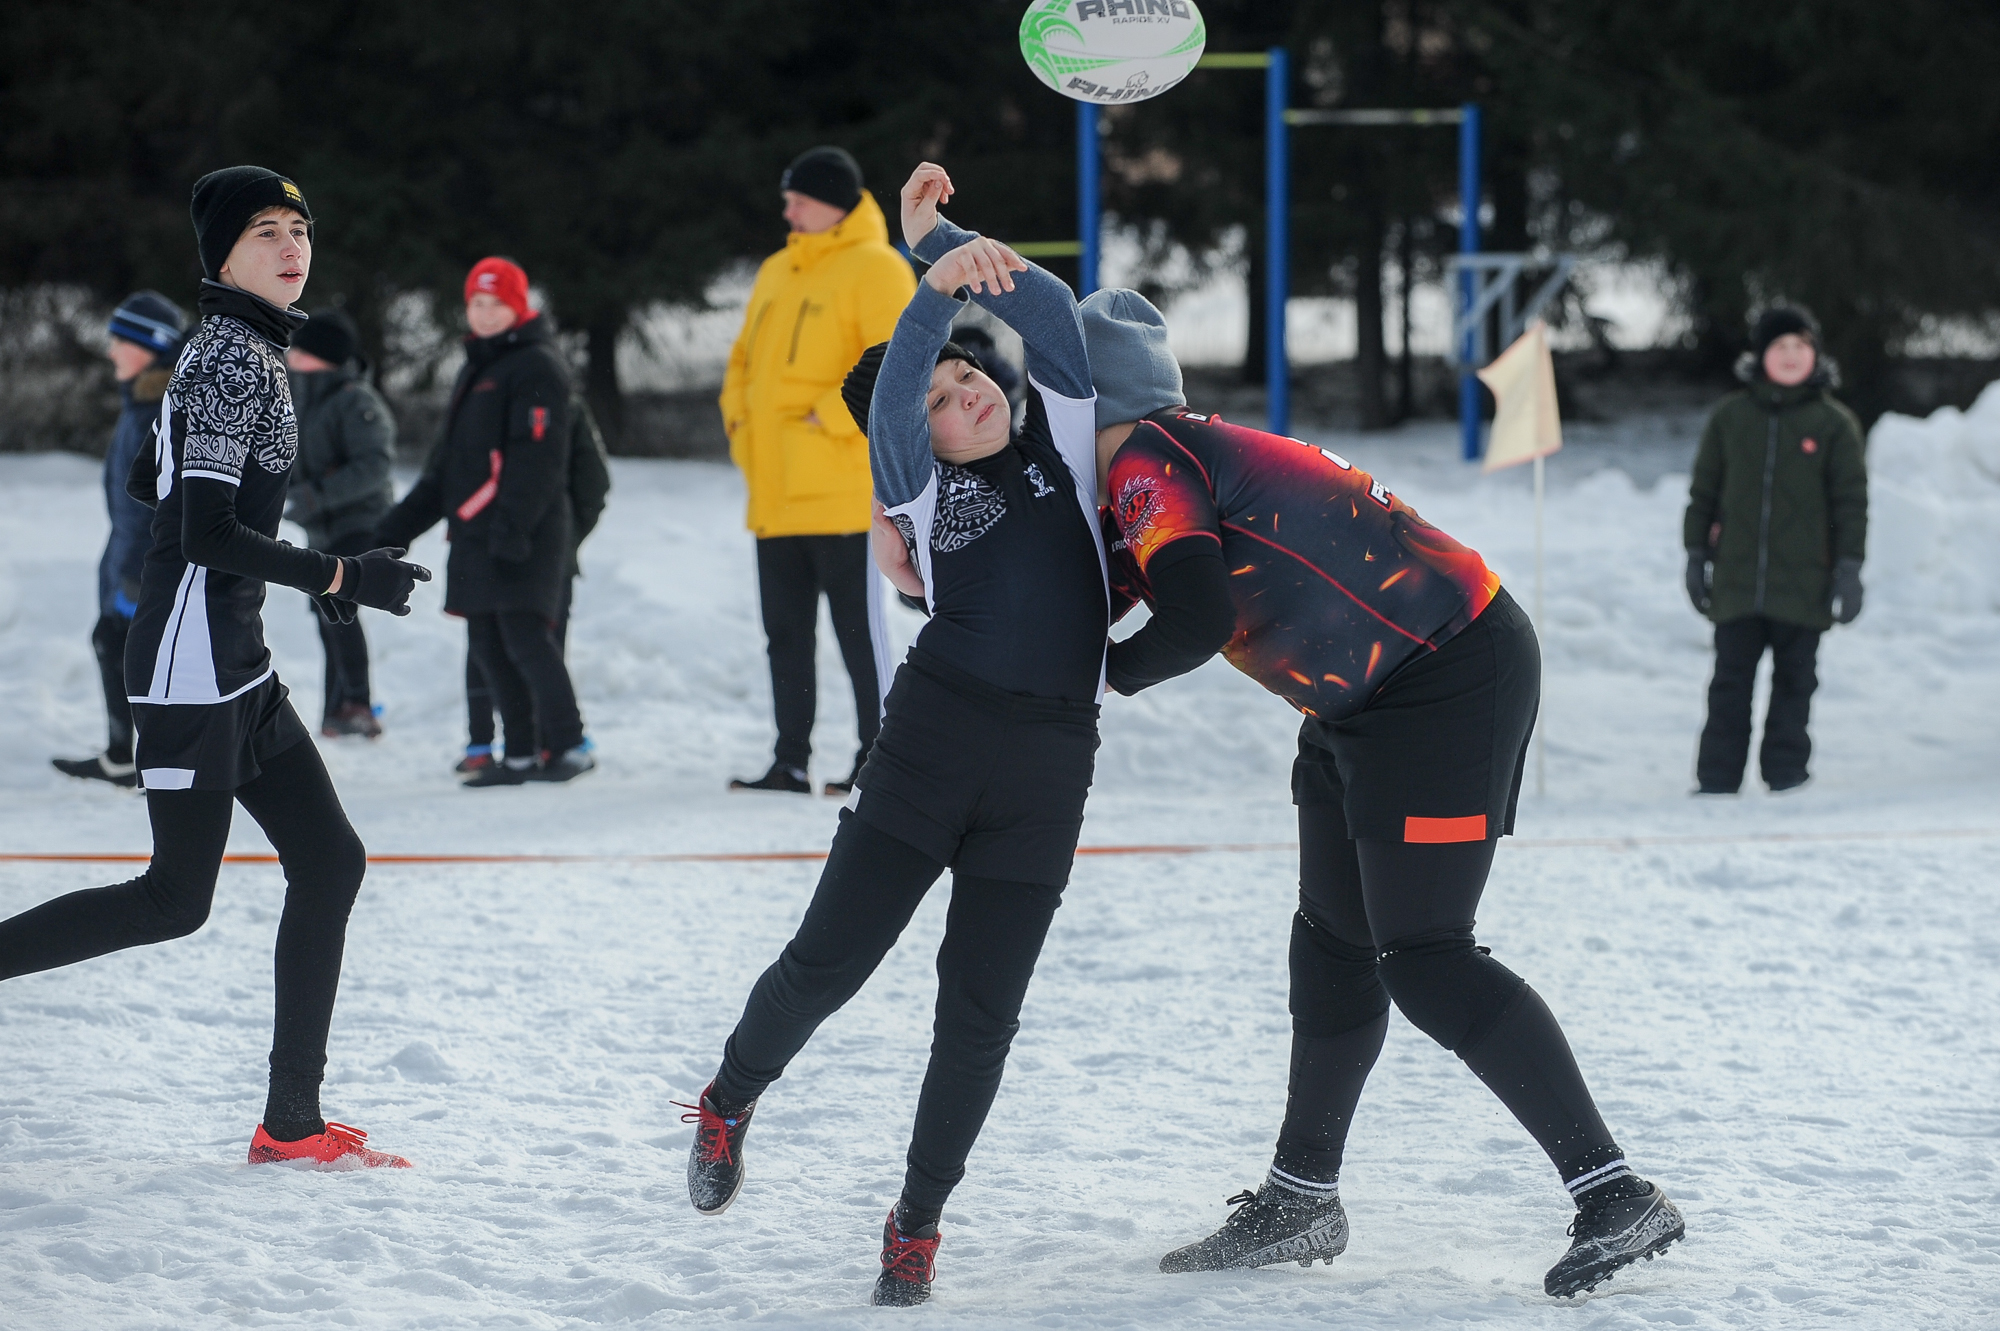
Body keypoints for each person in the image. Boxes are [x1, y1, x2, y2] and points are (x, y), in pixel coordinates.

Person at [882, 287, 1685, 1299]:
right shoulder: (1131, 473)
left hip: (1445, 672)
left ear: (1077, 393)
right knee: (1332, 943)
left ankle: (1613, 1192)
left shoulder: (1145, 457)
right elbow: (1082, 592)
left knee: (1425, 956)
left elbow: (1192, 614)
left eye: (1044, 389)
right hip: (1363, 697)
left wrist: (1097, 679)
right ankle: (1301, 1197)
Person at [681, 162, 1107, 1307]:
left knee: (979, 1016)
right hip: (929, 747)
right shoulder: (914, 488)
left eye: (972, 373)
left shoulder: (1064, 448)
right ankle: (729, 1095)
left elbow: (1052, 315)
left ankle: (915, 1221)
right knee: (830, 962)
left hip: (1048, 764)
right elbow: (896, 387)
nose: (960, 389)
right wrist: (929, 281)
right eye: (939, 389)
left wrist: (944, 236)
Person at [1, 166, 427, 1168]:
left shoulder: (247, 350)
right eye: (265, 231)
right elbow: (201, 531)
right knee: (172, 899)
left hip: (233, 658)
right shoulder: (234, 360)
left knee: (331, 860)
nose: (290, 246)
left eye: (299, 227)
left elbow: (187, 502)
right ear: (222, 256)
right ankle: (288, 1119)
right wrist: (338, 571)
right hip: (193, 661)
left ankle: (291, 1122)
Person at [721, 146, 914, 796]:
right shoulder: (777, 268)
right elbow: (743, 359)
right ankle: (789, 761)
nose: (787, 208)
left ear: (832, 201)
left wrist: (828, 420)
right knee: (785, 637)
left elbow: (899, 366)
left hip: (844, 496)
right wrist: (738, 421)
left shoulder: (877, 268)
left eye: (798, 197)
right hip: (774, 493)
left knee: (862, 639)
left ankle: (877, 759)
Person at [375, 256, 594, 786]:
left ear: (518, 307)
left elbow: (537, 460)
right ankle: (517, 754)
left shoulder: (537, 365)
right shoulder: (478, 366)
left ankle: (569, 743)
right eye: (477, 302)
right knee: (490, 646)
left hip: (524, 532)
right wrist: (391, 532)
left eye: (497, 303)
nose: (486, 313)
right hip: (476, 532)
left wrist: (513, 529)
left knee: (525, 639)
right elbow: (449, 467)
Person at [1684, 306, 1866, 794]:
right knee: (1729, 685)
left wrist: (1849, 569)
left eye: (1800, 347)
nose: (1791, 356)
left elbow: (1851, 503)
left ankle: (1786, 777)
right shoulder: (1731, 418)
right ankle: (1717, 781)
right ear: (1761, 355)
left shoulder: (1834, 424)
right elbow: (1704, 493)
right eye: (1780, 346)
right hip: (1738, 583)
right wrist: (1696, 555)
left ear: (1815, 355)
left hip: (1805, 584)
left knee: (1795, 684)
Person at [52, 291, 187, 788]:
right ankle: (127, 757)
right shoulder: (142, 404)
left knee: (128, 650)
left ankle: (152, 763)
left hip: (146, 566)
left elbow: (156, 508)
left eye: (119, 341)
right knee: (117, 645)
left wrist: (134, 574)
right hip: (130, 562)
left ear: (149, 347)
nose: (110, 351)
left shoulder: (157, 410)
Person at [456, 392, 610, 777]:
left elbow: (592, 482)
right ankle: (501, 746)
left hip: (544, 553)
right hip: (489, 546)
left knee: (533, 646)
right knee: (488, 643)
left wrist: (563, 539)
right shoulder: (479, 396)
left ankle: (557, 744)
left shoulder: (561, 404)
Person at [285, 307, 396, 739]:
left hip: (358, 522)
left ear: (325, 357)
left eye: (303, 350)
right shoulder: (300, 395)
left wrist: (314, 495)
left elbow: (373, 467)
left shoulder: (356, 401)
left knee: (340, 610)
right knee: (326, 610)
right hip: (321, 525)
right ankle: (337, 709)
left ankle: (357, 703)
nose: (292, 355)